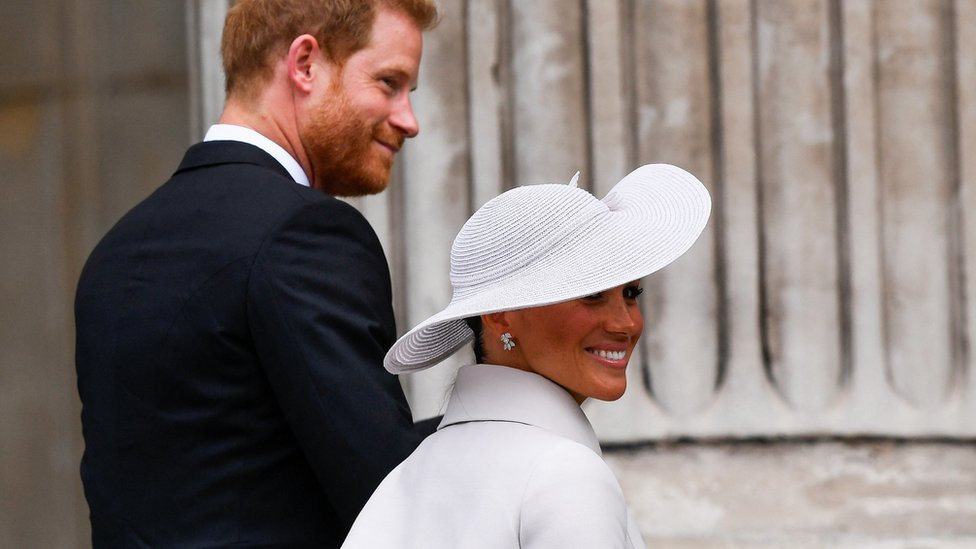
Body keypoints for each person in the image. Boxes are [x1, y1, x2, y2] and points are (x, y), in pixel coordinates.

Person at [74, 0, 439, 546]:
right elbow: (388, 496)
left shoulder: (115, 251)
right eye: (389, 82)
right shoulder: (306, 231)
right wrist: (514, 398)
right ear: (306, 64)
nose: (409, 119)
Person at [340, 164, 711, 548]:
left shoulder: (410, 473)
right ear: (500, 315)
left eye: (631, 294)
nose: (625, 324)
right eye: (591, 293)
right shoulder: (564, 471)